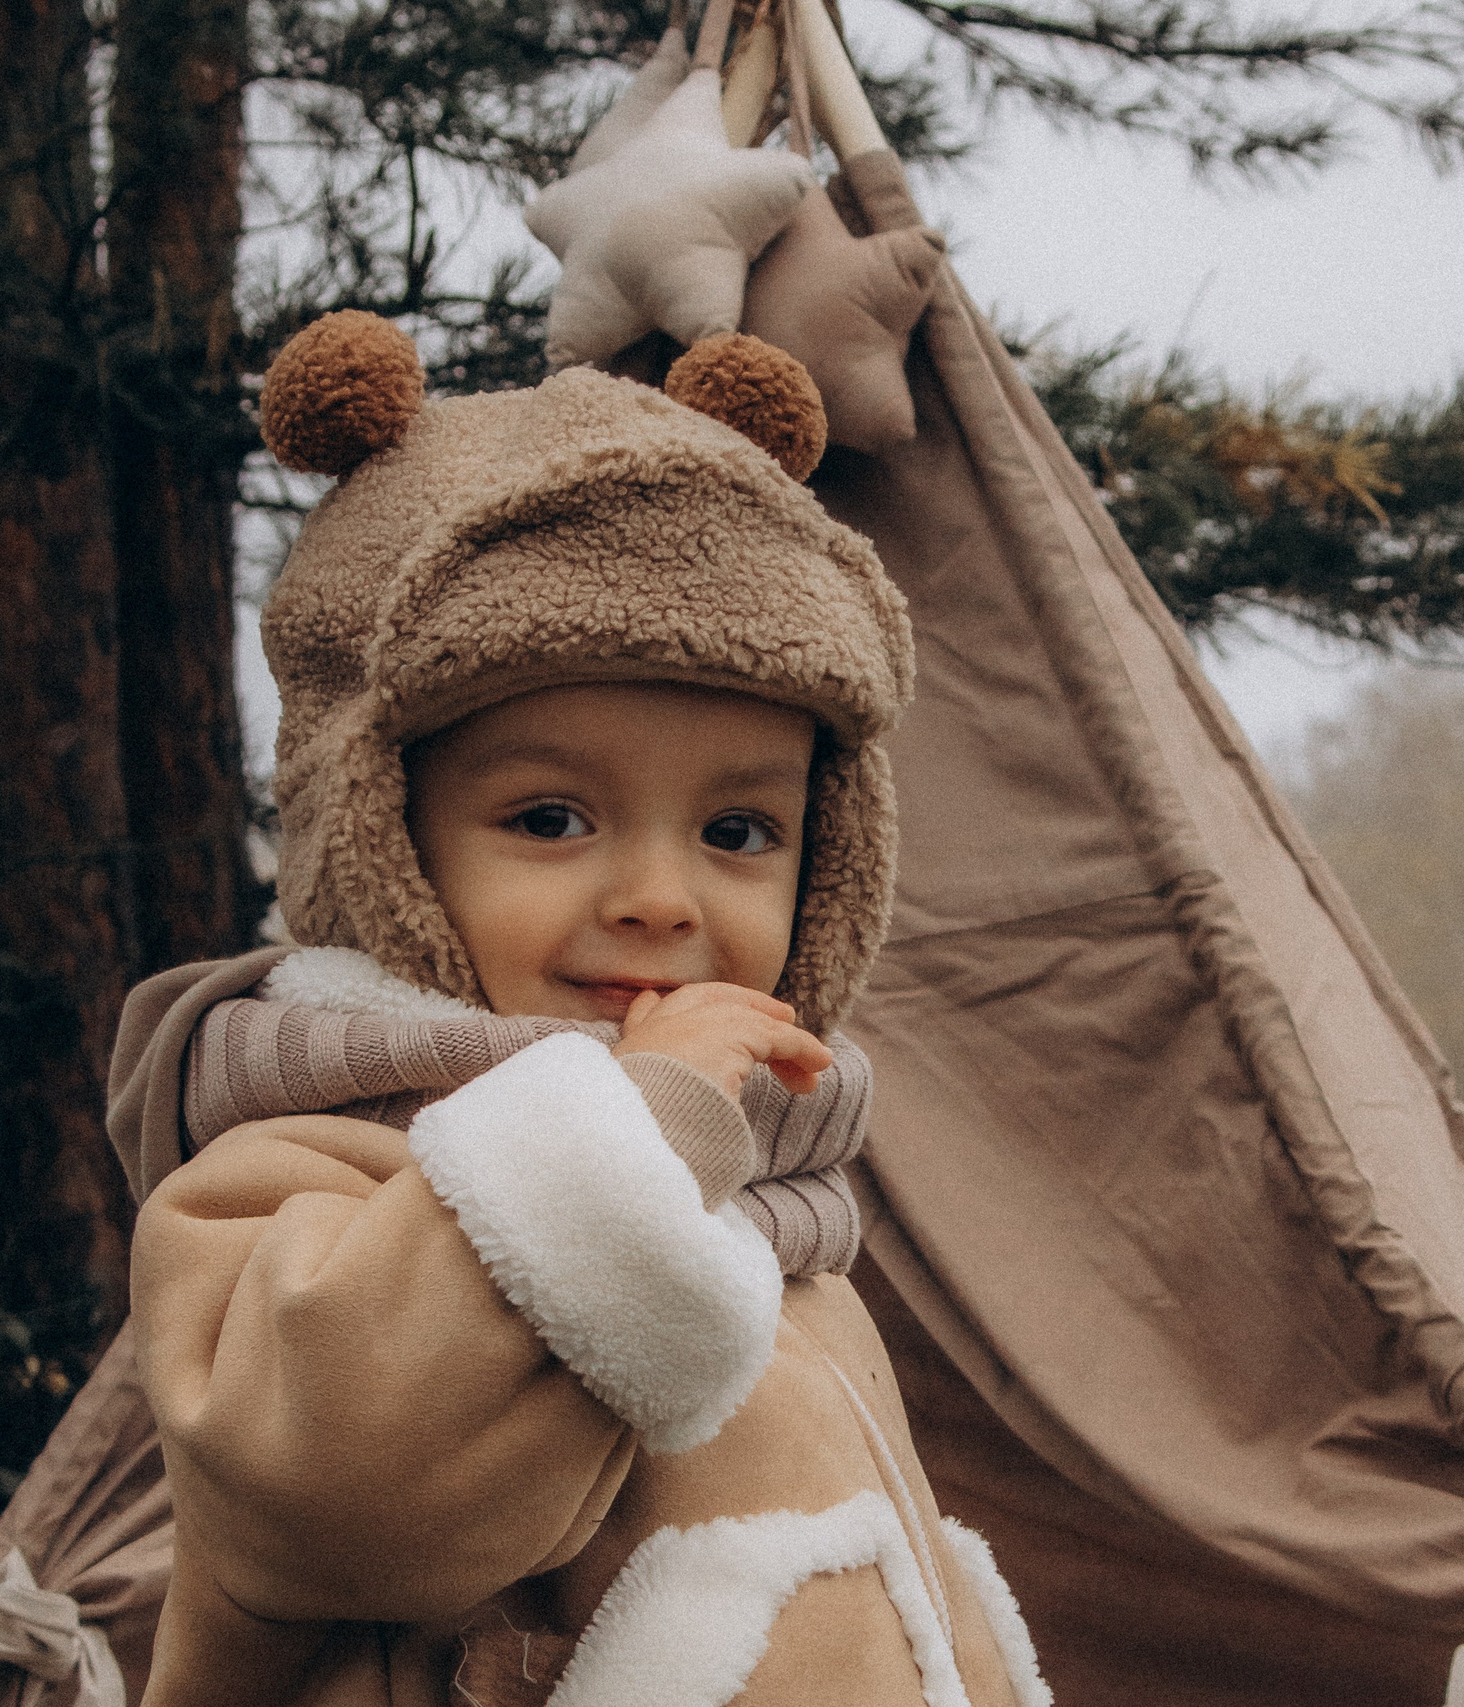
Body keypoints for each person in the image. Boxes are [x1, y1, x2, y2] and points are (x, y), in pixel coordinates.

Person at [116, 311, 1049, 1707]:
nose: (662, 899)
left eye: (740, 831)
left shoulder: (773, 1211)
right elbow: (344, 1502)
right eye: (552, 818)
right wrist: (624, 1138)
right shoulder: (294, 1170)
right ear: (381, 841)